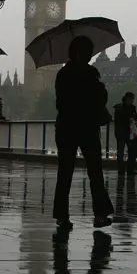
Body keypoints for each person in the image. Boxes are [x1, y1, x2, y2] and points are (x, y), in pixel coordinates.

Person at [54, 35, 114, 230]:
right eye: (88, 51)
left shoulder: (62, 74)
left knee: (65, 173)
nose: (90, 55)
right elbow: (101, 98)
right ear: (81, 52)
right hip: (87, 127)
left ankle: (62, 217)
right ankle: (100, 214)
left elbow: (60, 102)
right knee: (95, 172)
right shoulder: (90, 73)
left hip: (66, 128)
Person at [113, 91, 137, 176]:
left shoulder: (119, 108)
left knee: (125, 152)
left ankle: (123, 170)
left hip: (124, 132)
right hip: (125, 132)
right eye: (132, 99)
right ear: (128, 98)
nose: (133, 101)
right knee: (127, 151)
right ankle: (127, 170)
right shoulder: (124, 108)